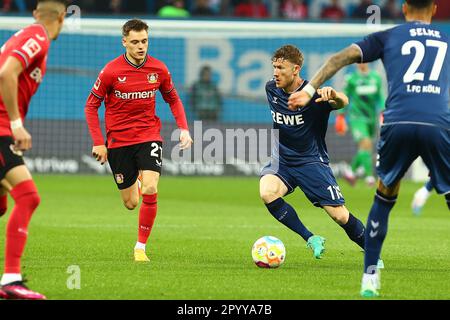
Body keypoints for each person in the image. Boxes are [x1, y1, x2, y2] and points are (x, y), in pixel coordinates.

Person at [288, 0, 449, 298]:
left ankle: (370, 278)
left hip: (398, 122)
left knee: (385, 197)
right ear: (435, 8)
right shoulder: (446, 38)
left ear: (403, 8)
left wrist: (308, 90)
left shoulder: (389, 36)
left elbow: (339, 58)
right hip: (438, 124)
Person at [85, 19, 193, 263]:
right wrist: (98, 142)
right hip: (119, 141)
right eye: (135, 42)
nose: (140, 46)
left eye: (144, 41)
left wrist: (184, 129)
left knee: (151, 188)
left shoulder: (159, 70)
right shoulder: (111, 71)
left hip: (148, 135)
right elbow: (91, 106)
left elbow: (173, 99)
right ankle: (139, 177)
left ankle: (140, 247)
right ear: (124, 42)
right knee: (131, 203)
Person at [260, 45, 380, 261]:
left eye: (281, 68)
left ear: (296, 69)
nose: (276, 73)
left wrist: (333, 95)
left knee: (339, 215)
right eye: (274, 67)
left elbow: (343, 101)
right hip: (283, 161)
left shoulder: (314, 95)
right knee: (267, 192)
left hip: (311, 162)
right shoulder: (271, 89)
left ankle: (372, 252)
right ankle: (310, 238)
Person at [0, 0, 67, 300]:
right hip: (1, 128)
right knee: (28, 197)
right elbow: (6, 74)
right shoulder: (37, 36)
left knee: (2, 206)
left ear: (35, 12)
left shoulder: (25, 35)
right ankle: (10, 280)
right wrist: (15, 123)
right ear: (62, 18)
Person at [337, 63, 384, 187]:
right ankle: (369, 177)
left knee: (366, 148)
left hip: (371, 118)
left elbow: (380, 96)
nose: (361, 64)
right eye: (359, 62)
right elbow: (344, 96)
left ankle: (351, 172)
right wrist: (341, 115)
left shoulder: (376, 77)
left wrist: (383, 111)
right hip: (357, 117)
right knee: (366, 143)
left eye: (363, 61)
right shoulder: (351, 79)